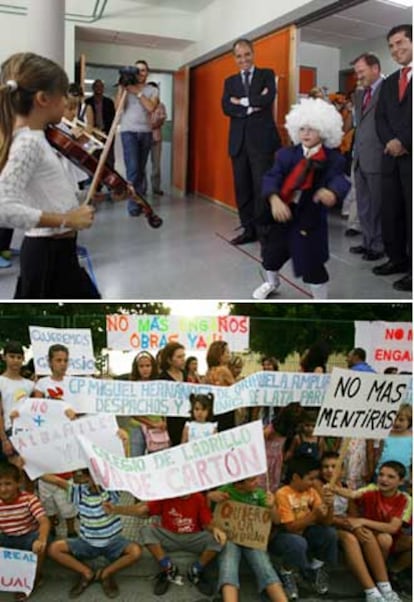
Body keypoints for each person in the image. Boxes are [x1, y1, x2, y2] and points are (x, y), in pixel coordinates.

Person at [0, 52, 98, 299]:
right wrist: (67, 220)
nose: (68, 102)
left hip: (58, 252)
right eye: (64, 94)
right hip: (47, 254)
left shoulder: (37, 137)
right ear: (43, 99)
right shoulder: (28, 143)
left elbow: (48, 192)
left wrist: (84, 196)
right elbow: (3, 208)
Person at [253, 98, 350, 299]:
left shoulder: (333, 159)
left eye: (312, 129)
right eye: (302, 128)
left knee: (312, 263)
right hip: (284, 213)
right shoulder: (285, 154)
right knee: (271, 256)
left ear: (324, 131)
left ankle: (320, 299)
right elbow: (272, 176)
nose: (306, 133)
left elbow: (340, 179)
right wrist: (274, 199)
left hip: (310, 217)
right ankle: (271, 282)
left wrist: (332, 192)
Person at [104, 492, 226, 596]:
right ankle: (169, 569)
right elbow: (141, 510)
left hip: (192, 537)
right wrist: (116, 509)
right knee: (147, 530)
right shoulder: (166, 496)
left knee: (217, 539)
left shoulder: (198, 497)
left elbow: (207, 522)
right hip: (169, 536)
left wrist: (215, 529)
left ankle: (195, 571)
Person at [45, 468, 141, 599]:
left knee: (135, 551)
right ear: (85, 477)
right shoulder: (78, 492)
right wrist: (28, 468)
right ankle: (86, 573)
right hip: (86, 542)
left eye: (100, 476)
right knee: (54, 549)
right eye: (91, 476)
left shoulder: (111, 492)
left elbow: (127, 477)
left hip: (113, 541)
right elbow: (56, 480)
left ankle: (106, 573)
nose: (96, 480)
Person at [222, 38, 281, 245]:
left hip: (262, 143)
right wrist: (252, 105)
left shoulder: (267, 74)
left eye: (247, 54)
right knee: (243, 188)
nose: (243, 59)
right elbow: (226, 107)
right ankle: (249, 230)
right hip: (238, 145)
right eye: (239, 56)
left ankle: (264, 231)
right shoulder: (230, 82)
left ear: (253, 53)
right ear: (234, 58)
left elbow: (268, 98)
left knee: (261, 188)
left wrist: (241, 102)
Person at [332, 461, 411, 602]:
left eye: (391, 477)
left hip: (392, 537)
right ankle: (382, 583)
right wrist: (332, 488)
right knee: (384, 539)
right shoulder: (371, 489)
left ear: (401, 481)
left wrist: (362, 521)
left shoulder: (406, 499)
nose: (384, 479)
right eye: (381, 475)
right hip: (373, 536)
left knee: (391, 538)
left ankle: (391, 572)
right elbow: (353, 494)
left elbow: (393, 528)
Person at [374, 24, 412, 292]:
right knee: (392, 213)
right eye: (391, 46)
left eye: (400, 43)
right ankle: (397, 259)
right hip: (390, 158)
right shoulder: (388, 83)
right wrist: (390, 141)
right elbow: (381, 118)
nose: (396, 50)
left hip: (410, 154)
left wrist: (404, 141)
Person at [269, 456, 338, 600]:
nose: (314, 483)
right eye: (310, 479)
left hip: (306, 531)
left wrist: (330, 505)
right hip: (284, 537)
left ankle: (316, 568)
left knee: (330, 533)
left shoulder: (311, 491)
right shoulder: (283, 494)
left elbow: (327, 522)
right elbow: (290, 528)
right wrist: (313, 515)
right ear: (295, 477)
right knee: (297, 542)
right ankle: (287, 572)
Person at [208, 477, 287, 602]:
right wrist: (211, 496)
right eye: (251, 481)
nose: (257, 482)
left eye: (256, 479)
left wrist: (272, 507)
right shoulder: (226, 490)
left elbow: (277, 520)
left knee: (264, 566)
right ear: (238, 485)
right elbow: (208, 508)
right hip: (230, 538)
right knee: (228, 564)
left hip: (253, 539)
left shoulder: (260, 494)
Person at [31, 344, 78, 538]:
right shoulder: (41, 385)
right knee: (47, 488)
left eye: (66, 360)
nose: (62, 364)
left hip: (68, 440)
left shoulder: (75, 384)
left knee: (67, 483)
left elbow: (82, 409)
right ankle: (49, 527)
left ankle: (71, 528)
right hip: (47, 440)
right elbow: (36, 410)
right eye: (58, 360)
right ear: (50, 362)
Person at [350, 53, 385, 261]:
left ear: (375, 68)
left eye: (361, 71)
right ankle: (367, 241)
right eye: (356, 72)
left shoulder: (387, 90)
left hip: (378, 157)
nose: (358, 76)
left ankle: (379, 245)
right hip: (360, 157)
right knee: (363, 204)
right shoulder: (361, 93)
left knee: (378, 205)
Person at [0, 462, 50, 601]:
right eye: (0, 484)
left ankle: (34, 578)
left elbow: (44, 521)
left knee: (39, 545)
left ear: (18, 483)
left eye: (8, 483)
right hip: (7, 537)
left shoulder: (29, 499)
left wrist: (42, 539)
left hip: (28, 536)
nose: (3, 489)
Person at [116, 59, 159, 217]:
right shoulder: (126, 89)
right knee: (133, 169)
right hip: (129, 132)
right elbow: (118, 108)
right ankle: (133, 206)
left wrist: (138, 92)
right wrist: (123, 89)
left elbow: (151, 107)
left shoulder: (152, 90)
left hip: (145, 132)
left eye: (143, 70)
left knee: (140, 170)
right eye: (138, 70)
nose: (141, 73)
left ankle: (139, 201)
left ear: (147, 73)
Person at [127, 350, 168, 457]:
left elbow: (165, 406)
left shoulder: (159, 385)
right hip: (138, 427)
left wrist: (164, 422)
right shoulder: (132, 386)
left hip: (158, 427)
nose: (145, 369)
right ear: (136, 368)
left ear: (153, 366)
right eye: (141, 366)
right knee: (136, 459)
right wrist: (150, 423)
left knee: (158, 460)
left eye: (148, 365)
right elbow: (131, 411)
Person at [0, 340, 34, 466]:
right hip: (8, 432)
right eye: (12, 356)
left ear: (23, 359)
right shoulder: (1, 382)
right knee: (9, 473)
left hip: (27, 432)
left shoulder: (30, 385)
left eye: (19, 357)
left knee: (28, 470)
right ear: (4, 357)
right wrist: (4, 440)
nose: (15, 360)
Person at [158, 342, 186, 446]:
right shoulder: (163, 378)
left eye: (183, 356)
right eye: (179, 357)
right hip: (171, 421)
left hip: (185, 418)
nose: (183, 359)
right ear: (169, 360)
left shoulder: (185, 374)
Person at [84, 79, 115, 169]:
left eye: (101, 86)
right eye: (96, 86)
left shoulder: (109, 102)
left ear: (103, 88)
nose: (99, 88)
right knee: (93, 159)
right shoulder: (88, 102)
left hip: (107, 134)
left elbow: (112, 119)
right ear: (93, 88)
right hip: (92, 134)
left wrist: (107, 133)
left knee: (109, 160)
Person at [204, 341, 235, 432]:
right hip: (226, 407)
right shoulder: (224, 370)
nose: (229, 355)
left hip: (213, 407)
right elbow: (235, 388)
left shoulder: (209, 371)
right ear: (219, 355)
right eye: (227, 352)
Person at [147, 81, 167, 195]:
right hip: (144, 138)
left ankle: (156, 188)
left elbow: (161, 121)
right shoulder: (143, 104)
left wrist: (149, 125)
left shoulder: (161, 105)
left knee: (156, 166)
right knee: (142, 165)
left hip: (156, 139)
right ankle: (142, 188)